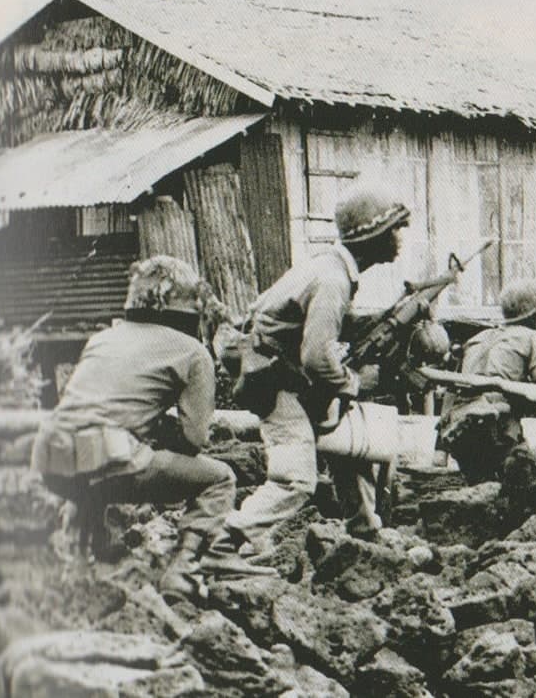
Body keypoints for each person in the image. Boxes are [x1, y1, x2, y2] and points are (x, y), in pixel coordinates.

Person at [30, 255, 236, 599]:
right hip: (107, 452)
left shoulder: (103, 338)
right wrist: (163, 433)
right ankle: (183, 571)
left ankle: (76, 571)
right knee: (220, 480)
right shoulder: (193, 351)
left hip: (49, 450)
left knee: (90, 483)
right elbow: (195, 438)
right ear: (185, 305)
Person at [221, 185, 411, 555]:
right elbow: (316, 358)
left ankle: (365, 529)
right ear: (371, 237)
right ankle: (222, 539)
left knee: (349, 445)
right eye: (393, 230)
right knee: (295, 480)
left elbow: (318, 329)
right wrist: (354, 382)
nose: (399, 238)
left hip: (282, 372)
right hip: (275, 378)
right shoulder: (333, 280)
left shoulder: (330, 268)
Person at [436, 279, 536, 483]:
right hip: (500, 432)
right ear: (530, 313)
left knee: (477, 484)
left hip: (460, 432)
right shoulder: (533, 338)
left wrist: (439, 450)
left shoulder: (476, 338)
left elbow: (451, 391)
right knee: (524, 479)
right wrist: (517, 401)